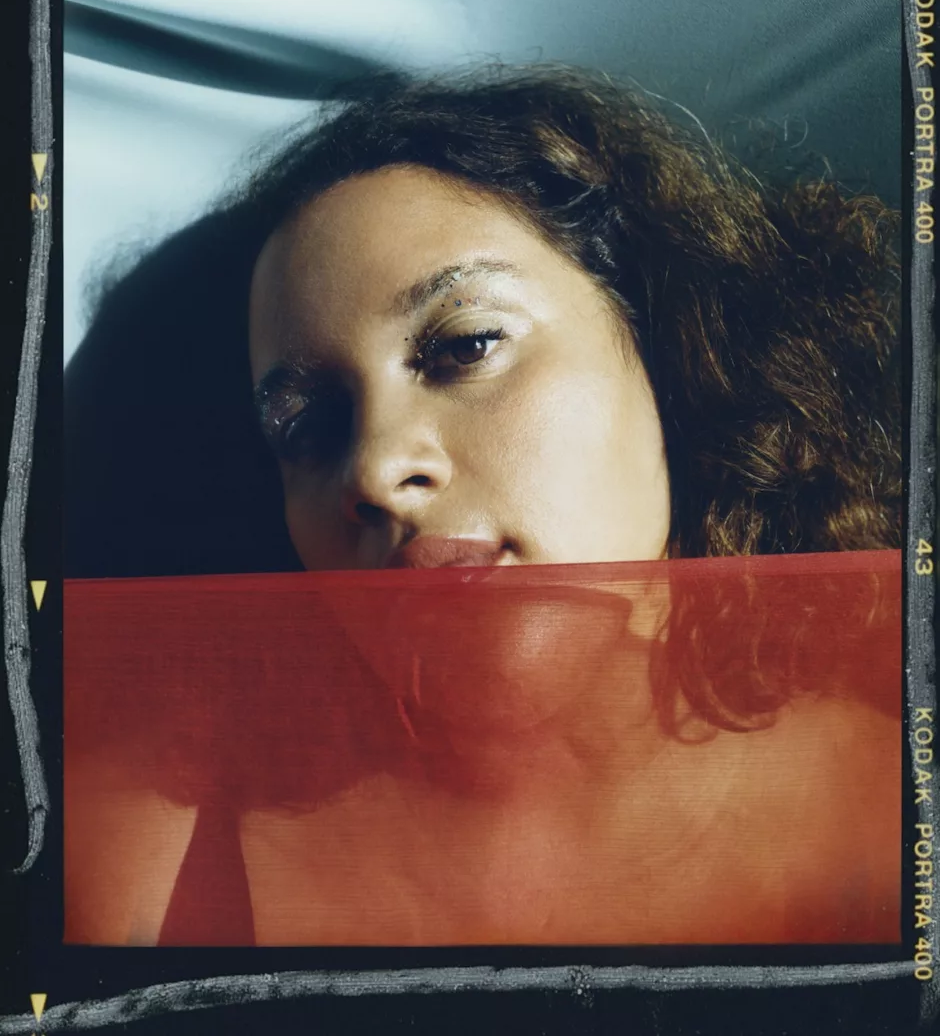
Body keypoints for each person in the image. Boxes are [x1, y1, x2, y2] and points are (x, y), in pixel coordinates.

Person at [63, 65, 902, 947]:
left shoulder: (893, 809)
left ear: (665, 351)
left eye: (466, 345)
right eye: (307, 426)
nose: (374, 467)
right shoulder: (142, 866)